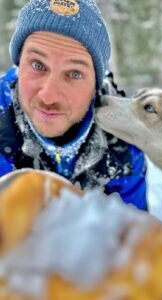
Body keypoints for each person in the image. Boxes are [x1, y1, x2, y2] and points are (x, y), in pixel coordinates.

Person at [0, 0, 148, 210]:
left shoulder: (122, 145)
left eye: (74, 74)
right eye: (37, 65)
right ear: (18, 63)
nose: (49, 96)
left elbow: (136, 237)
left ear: (95, 86)